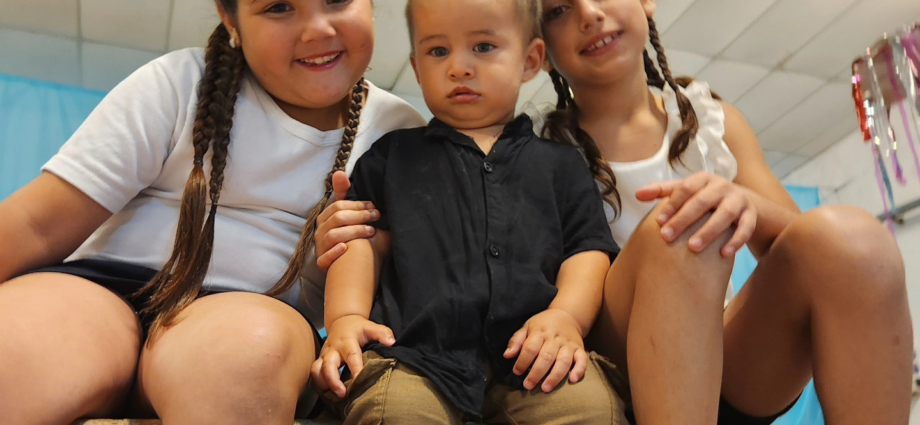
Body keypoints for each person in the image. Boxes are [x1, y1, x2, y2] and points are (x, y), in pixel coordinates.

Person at [315, 0, 914, 424]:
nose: (590, 13)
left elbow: (801, 247)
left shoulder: (709, 119)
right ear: (543, 51)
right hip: (621, 356)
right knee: (682, 226)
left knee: (853, 239)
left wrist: (743, 202)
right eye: (559, 8)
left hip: (730, 358)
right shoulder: (543, 151)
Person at [0, 0, 425, 423]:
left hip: (252, 313)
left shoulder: (401, 133)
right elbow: (37, 225)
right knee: (16, 345)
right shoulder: (180, 82)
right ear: (230, 19)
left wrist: (355, 249)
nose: (317, 30)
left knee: (249, 353)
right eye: (278, 7)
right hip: (100, 288)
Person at [310, 0, 628, 423]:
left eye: (482, 47)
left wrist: (566, 317)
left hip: (536, 357)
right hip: (413, 358)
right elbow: (361, 240)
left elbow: (587, 251)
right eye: (438, 51)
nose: (458, 68)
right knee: (395, 412)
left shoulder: (563, 165)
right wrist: (346, 317)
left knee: (590, 408)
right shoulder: (391, 156)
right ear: (417, 68)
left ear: (530, 60)